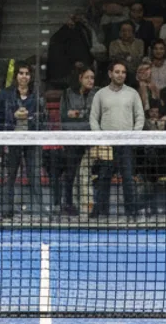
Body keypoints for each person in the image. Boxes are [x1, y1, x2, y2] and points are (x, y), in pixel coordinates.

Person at [89, 61, 144, 219]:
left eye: (123, 72)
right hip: (106, 144)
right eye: (117, 72)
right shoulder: (100, 94)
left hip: (126, 143)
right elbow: (94, 118)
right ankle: (101, 211)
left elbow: (139, 116)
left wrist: (134, 135)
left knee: (128, 178)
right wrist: (100, 138)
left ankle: (131, 211)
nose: (120, 75)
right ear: (110, 73)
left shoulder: (133, 94)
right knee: (103, 178)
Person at [0, 65, 46, 218]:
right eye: (21, 73)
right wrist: (11, 120)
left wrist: (31, 119)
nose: (24, 76)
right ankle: (6, 210)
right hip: (11, 140)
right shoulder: (5, 94)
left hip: (32, 141)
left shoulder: (37, 95)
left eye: (27, 73)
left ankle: (39, 211)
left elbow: (44, 119)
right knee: (10, 176)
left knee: (34, 176)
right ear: (16, 76)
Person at [57, 67, 97, 215]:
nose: (90, 81)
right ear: (80, 78)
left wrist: (78, 114)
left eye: (92, 78)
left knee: (87, 174)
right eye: (87, 77)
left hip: (91, 140)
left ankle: (89, 207)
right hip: (72, 140)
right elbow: (64, 117)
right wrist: (82, 117)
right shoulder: (67, 94)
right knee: (71, 174)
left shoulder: (96, 94)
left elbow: (94, 116)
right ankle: (68, 204)